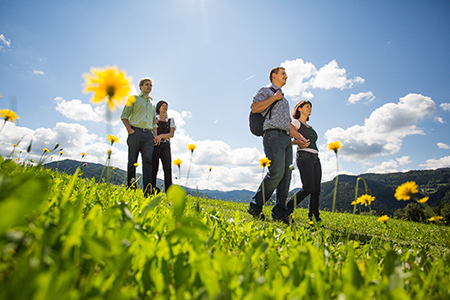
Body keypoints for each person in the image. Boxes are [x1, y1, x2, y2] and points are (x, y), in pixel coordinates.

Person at [248, 67, 309, 225]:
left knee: (286, 176)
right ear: (273, 76)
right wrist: (275, 97)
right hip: (272, 135)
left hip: (286, 138)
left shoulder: (285, 101)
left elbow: (288, 124)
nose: (286, 76)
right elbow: (255, 107)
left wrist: (300, 137)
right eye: (283, 74)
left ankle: (280, 213)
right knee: (276, 172)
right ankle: (255, 206)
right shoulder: (266, 91)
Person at [121, 77, 158, 196]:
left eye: (151, 85)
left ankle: (147, 189)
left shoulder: (152, 103)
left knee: (148, 162)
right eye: (147, 84)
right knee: (132, 161)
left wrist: (154, 135)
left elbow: (154, 121)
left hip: (148, 135)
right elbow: (124, 116)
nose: (149, 87)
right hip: (135, 133)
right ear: (141, 87)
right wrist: (130, 131)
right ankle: (131, 187)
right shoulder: (133, 99)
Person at [286, 100, 322, 223]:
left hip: (315, 157)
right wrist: (297, 141)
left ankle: (314, 218)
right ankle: (287, 209)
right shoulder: (295, 122)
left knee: (316, 189)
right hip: (304, 156)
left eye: (310, 107)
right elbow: (286, 138)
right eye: (307, 107)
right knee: (307, 188)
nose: (309, 109)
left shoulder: (310, 127)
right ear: (299, 109)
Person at [152, 100, 176, 193]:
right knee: (154, 168)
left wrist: (160, 136)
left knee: (167, 169)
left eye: (166, 105)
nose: (165, 107)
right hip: (156, 145)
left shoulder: (170, 119)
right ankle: (152, 189)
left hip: (165, 145)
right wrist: (156, 138)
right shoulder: (154, 118)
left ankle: (169, 192)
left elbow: (171, 134)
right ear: (158, 108)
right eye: (163, 105)